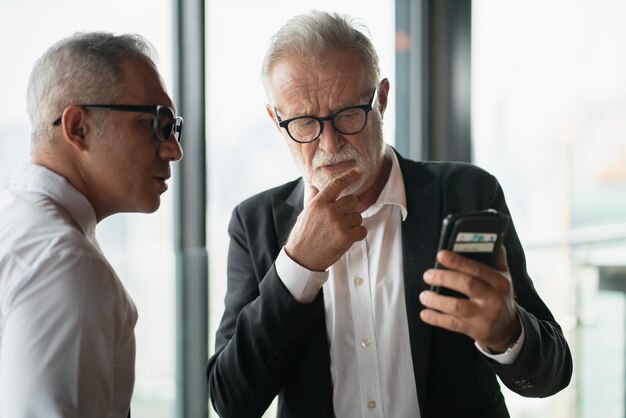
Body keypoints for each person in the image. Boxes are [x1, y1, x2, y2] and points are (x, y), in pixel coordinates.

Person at [207, 10, 572, 418]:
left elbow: (552, 373)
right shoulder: (254, 224)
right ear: (277, 121)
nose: (329, 143)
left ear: (380, 98)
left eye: (348, 114)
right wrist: (298, 266)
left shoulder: (469, 193)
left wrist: (507, 332)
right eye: (305, 123)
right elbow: (232, 401)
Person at [0, 32, 183, 417]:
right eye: (155, 124)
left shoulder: (22, 231)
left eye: (173, 126)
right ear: (78, 127)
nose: (174, 149)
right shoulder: (65, 263)